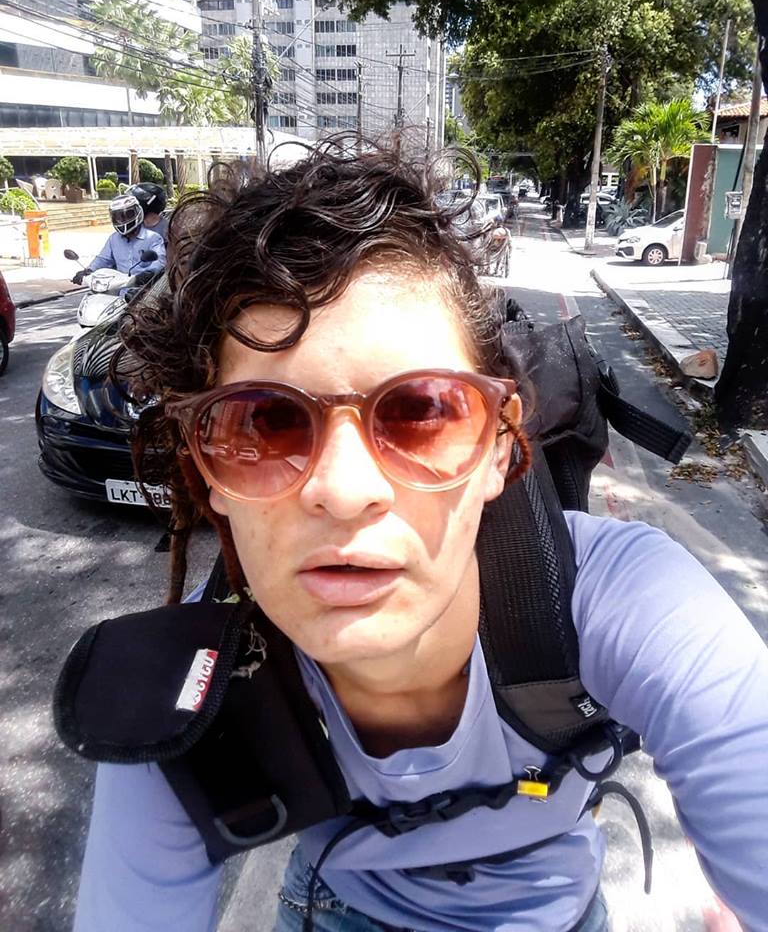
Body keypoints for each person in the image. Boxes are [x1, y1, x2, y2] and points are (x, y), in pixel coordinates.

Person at [71, 138, 768, 932]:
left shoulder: (627, 602)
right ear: (208, 473)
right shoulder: (181, 689)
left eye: (421, 412)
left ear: (499, 446)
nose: (343, 491)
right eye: (264, 424)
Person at [71, 194, 166, 286]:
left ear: (138, 213)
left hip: (144, 288)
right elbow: (103, 259)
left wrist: (147, 275)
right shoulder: (113, 239)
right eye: (118, 217)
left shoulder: (154, 238)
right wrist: (88, 271)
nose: (122, 220)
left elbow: (159, 262)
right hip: (119, 288)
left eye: (128, 215)